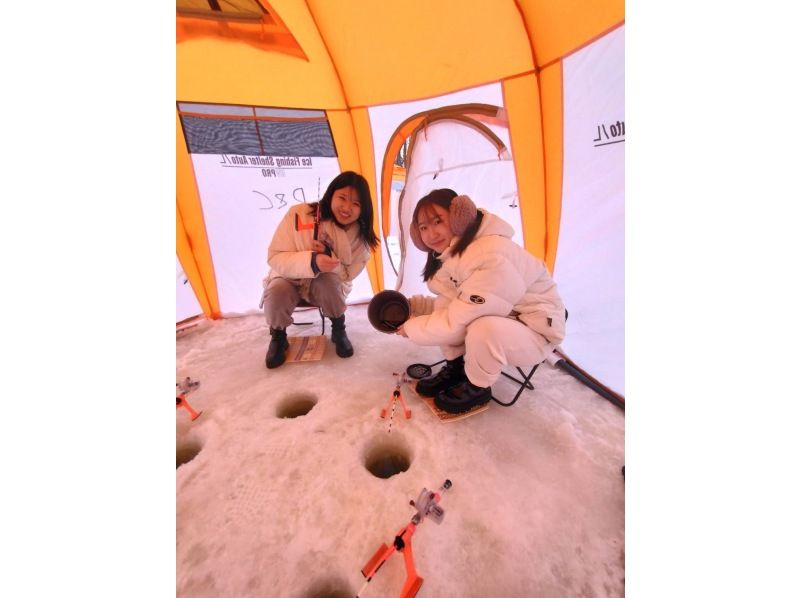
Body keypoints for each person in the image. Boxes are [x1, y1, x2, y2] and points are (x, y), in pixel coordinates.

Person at [397, 189, 566, 414]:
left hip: (536, 330)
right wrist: (413, 307)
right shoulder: (457, 257)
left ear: (460, 219)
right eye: (423, 227)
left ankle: (478, 387)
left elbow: (457, 320)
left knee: (482, 329)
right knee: (444, 303)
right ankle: (457, 369)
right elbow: (455, 304)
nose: (431, 234)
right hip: (507, 317)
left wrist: (410, 328)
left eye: (438, 221)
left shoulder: (491, 255)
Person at [262, 171, 379, 368]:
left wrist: (329, 258)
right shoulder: (297, 214)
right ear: (331, 194)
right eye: (342, 198)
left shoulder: (361, 238)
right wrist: (311, 262)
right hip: (288, 278)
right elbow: (275, 256)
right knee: (276, 290)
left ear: (364, 209)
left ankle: (338, 327)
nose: (347, 208)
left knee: (328, 282)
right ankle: (278, 336)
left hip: (326, 286)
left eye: (356, 204)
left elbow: (348, 275)